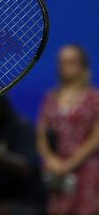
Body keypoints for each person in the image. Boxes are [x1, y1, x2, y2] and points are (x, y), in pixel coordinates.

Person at [37, 44, 99, 215]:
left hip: (86, 170)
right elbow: (42, 132)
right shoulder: (51, 97)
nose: (65, 66)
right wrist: (50, 159)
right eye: (62, 62)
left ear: (82, 65)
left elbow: (96, 137)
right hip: (57, 173)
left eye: (71, 62)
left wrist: (70, 164)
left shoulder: (95, 99)